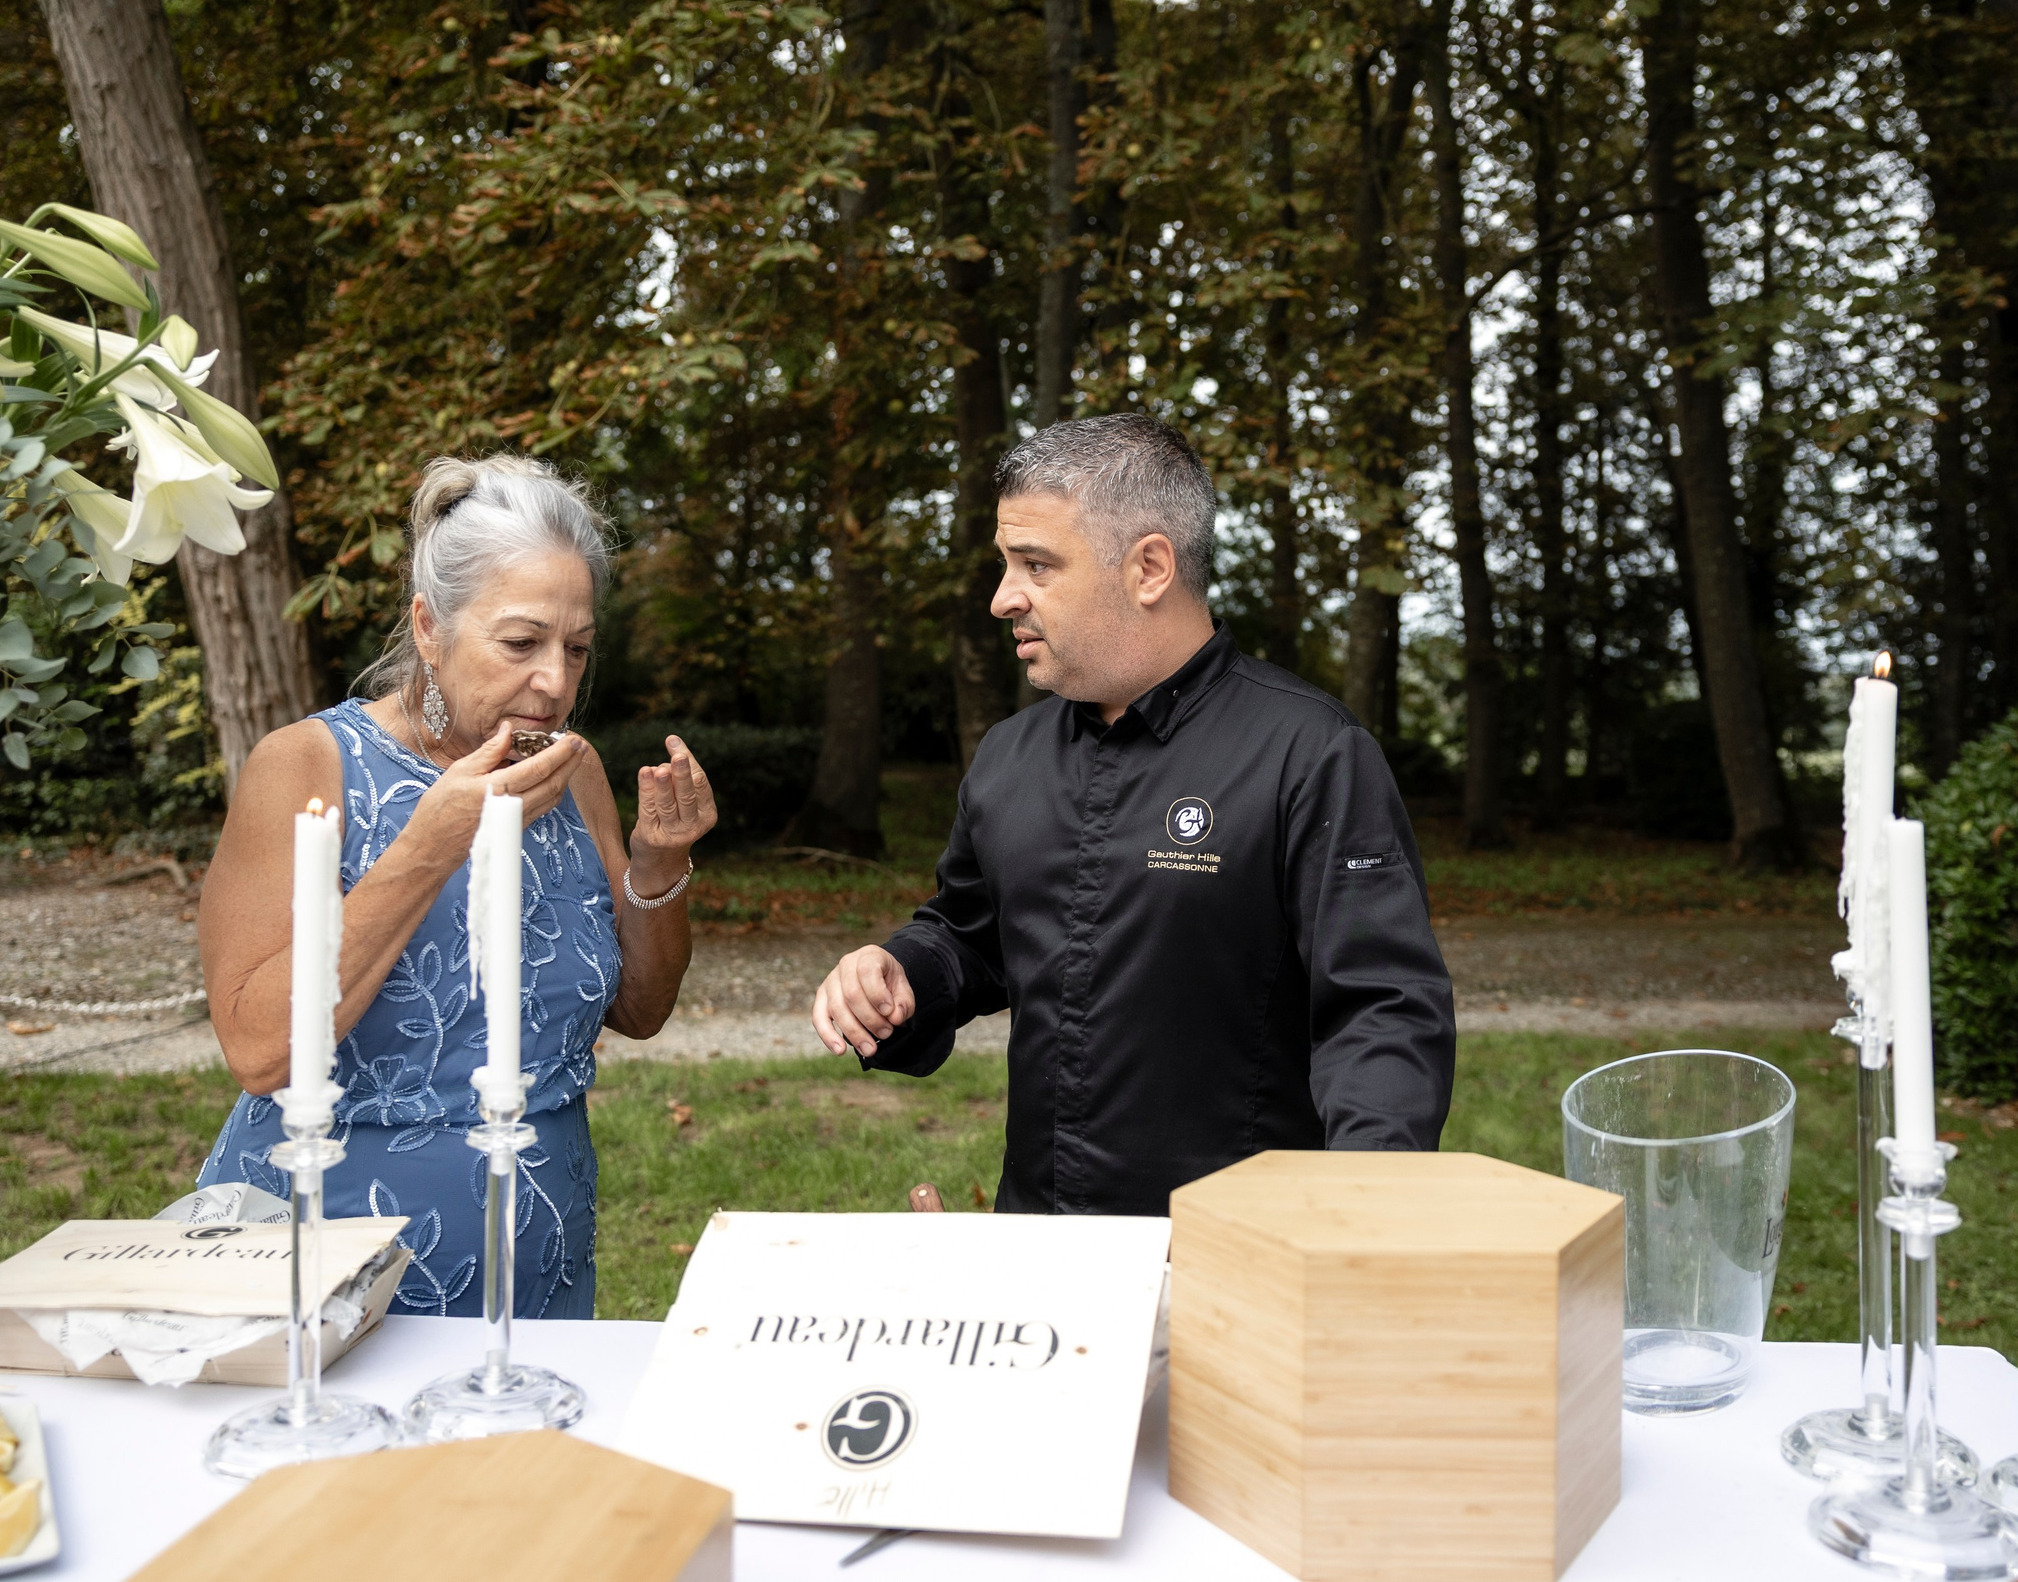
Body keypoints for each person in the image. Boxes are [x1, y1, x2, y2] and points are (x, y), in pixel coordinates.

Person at [810, 415, 1454, 1215]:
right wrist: (901, 970)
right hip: (1043, 1249)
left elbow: (1382, 1010)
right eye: (1006, 563)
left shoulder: (1310, 753)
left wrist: (1366, 1207)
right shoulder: (1011, 756)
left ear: (1149, 567)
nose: (1002, 596)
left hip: (1234, 1259)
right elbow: (970, 935)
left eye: (1036, 565)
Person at [196, 456, 717, 1317]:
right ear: (430, 627)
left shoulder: (570, 771)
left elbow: (639, 1007)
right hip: (326, 1275)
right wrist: (432, 840)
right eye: (521, 643)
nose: (556, 681)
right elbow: (259, 1049)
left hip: (538, 1268)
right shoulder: (308, 766)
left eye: (577, 648)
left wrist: (657, 868)